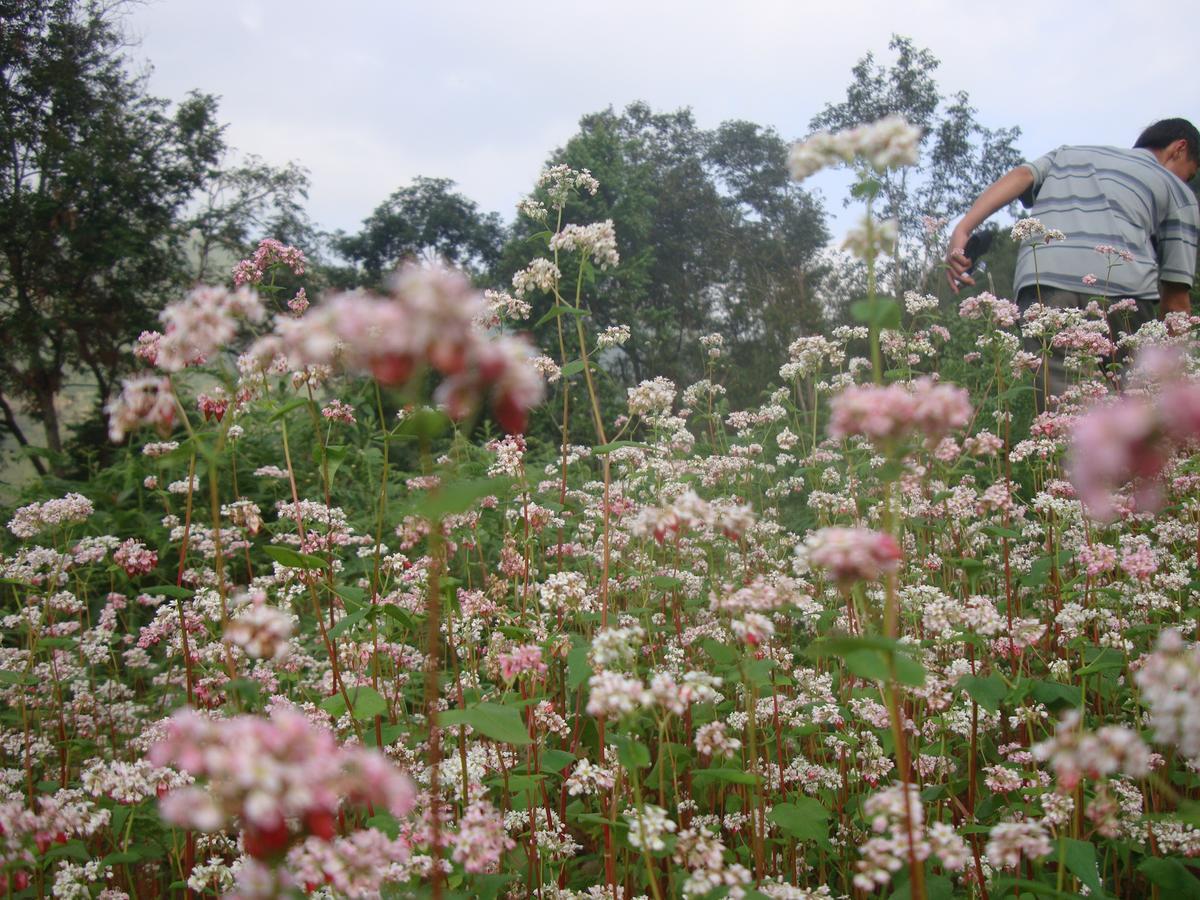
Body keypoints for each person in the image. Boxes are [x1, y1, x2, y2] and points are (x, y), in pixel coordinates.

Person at [945, 118, 1199, 404]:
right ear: (1179, 148)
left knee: (1062, 414)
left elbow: (1021, 176)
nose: (1184, 182)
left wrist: (963, 228)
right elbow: (1176, 302)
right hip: (1124, 293)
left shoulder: (1068, 154)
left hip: (1046, 282)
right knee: (1137, 410)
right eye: (1188, 174)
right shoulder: (1177, 191)